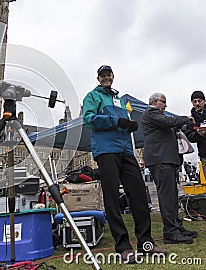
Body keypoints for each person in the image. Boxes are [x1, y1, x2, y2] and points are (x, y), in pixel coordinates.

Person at [83, 65, 166, 262]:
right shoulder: (92, 97)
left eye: (108, 75)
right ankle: (123, 247)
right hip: (106, 150)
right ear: (98, 78)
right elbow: (88, 119)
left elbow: (123, 121)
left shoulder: (119, 99)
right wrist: (115, 121)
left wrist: (130, 125)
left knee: (138, 193)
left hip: (125, 150)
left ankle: (146, 243)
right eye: (102, 75)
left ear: (112, 77)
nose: (106, 78)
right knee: (112, 198)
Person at [141, 92, 198, 244]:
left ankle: (176, 226)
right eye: (164, 102)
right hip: (160, 160)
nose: (166, 105)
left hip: (167, 160)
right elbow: (168, 121)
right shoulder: (151, 112)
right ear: (155, 102)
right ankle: (170, 232)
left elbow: (172, 125)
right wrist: (185, 118)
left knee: (172, 196)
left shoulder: (158, 118)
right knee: (167, 196)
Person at [186, 91, 206, 180]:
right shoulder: (191, 120)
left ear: (204, 101)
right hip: (204, 154)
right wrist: (198, 134)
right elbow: (189, 136)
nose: (197, 103)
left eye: (199, 101)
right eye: (194, 101)